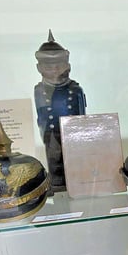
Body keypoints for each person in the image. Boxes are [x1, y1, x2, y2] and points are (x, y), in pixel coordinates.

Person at [33, 30, 87, 193]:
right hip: (51, 135)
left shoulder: (75, 89)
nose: (55, 70)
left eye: (59, 65)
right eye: (49, 66)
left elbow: (81, 117)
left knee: (76, 162)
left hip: (74, 135)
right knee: (55, 161)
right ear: (39, 68)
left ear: (68, 66)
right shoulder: (40, 90)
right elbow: (42, 118)